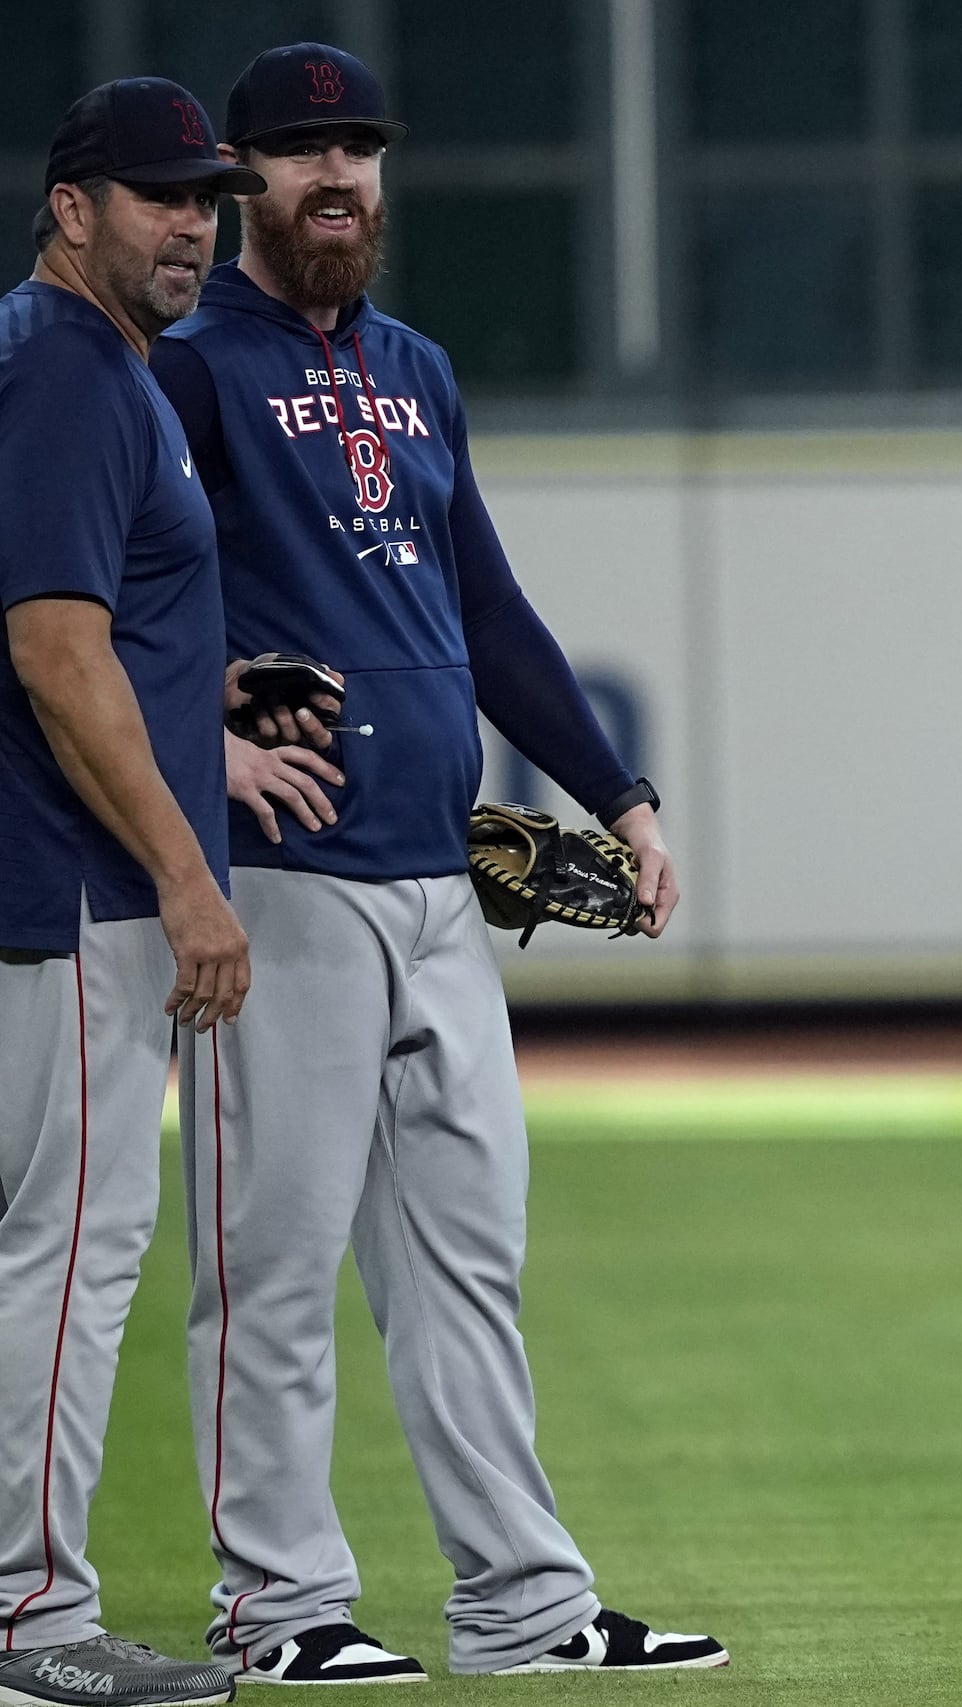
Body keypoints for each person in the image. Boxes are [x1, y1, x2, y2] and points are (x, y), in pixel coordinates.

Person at [146, 43, 721, 1684]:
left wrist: (621, 795)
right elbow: (123, 609)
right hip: (283, 879)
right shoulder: (186, 371)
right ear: (242, 180)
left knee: (469, 1264)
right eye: (302, 150)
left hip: (438, 878)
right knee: (268, 1271)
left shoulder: (416, 366)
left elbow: (486, 605)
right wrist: (204, 749)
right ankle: (278, 1611)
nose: (339, 176)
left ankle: (523, 1607)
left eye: (360, 150)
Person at [0, 79, 268, 1707]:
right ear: (72, 205)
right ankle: (32, 1627)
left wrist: (209, 725)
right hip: (77, 891)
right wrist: (186, 874)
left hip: (48, 873)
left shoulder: (70, 362)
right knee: (73, 1256)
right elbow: (51, 643)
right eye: (162, 195)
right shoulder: (74, 370)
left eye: (207, 198)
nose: (195, 224)